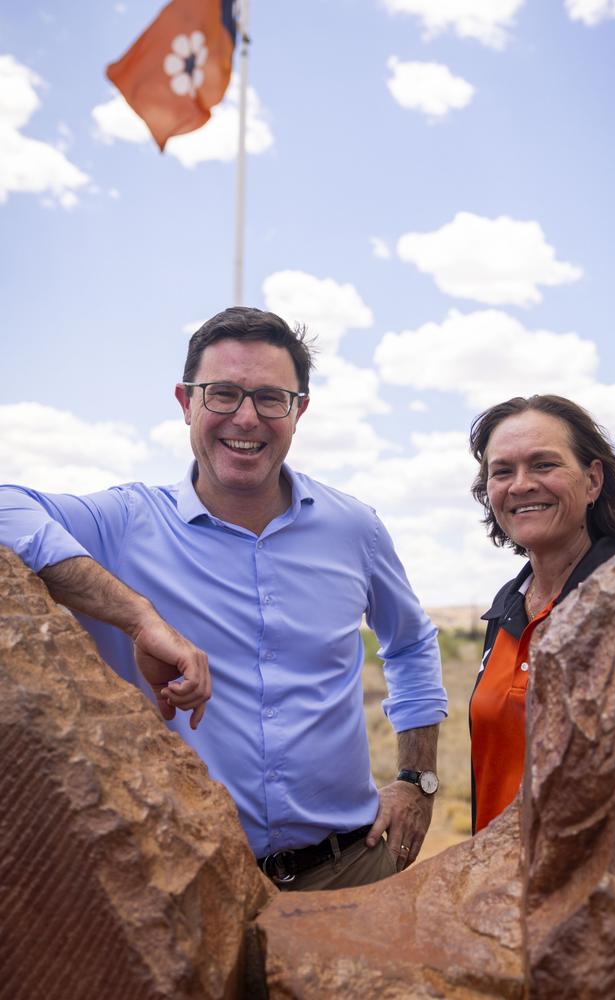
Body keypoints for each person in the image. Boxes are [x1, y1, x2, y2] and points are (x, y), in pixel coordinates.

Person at [0, 306, 447, 889]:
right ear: (186, 403)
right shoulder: (125, 521)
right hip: (187, 880)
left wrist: (418, 779)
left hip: (350, 870)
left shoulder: (354, 528)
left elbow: (411, 644)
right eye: (223, 394)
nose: (246, 416)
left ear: (299, 411)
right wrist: (139, 617)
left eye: (270, 398)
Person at [468, 394, 615, 834]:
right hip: (492, 886)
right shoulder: (506, 606)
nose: (521, 484)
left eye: (544, 465)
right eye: (502, 471)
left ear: (593, 481)